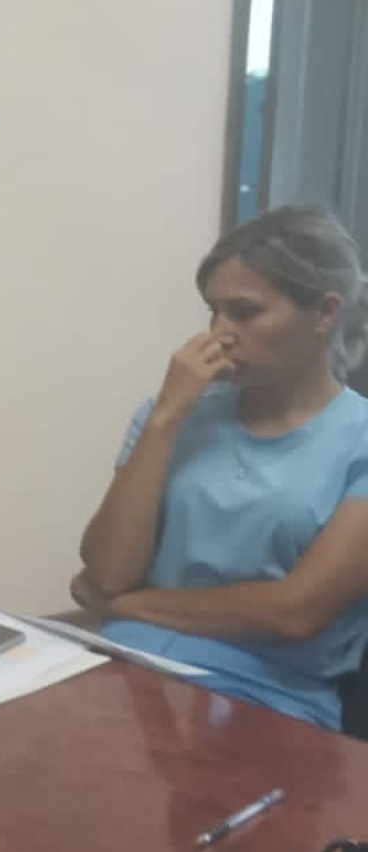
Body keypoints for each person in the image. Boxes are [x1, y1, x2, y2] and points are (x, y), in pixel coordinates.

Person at [72, 205, 368, 730]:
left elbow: (293, 612)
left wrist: (127, 605)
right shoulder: (176, 414)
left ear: (325, 313)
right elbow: (108, 570)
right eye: (213, 312)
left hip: (263, 696)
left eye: (245, 313)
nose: (218, 335)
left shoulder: (357, 440)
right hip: (124, 668)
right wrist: (165, 418)